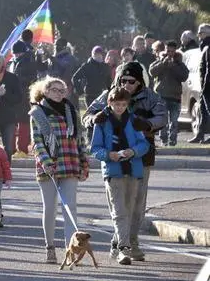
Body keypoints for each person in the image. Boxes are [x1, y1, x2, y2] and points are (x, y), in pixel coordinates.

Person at [84, 63, 165, 261]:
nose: (126, 84)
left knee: (137, 205)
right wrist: (95, 118)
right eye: (123, 80)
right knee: (118, 206)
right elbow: (86, 115)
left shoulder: (151, 97)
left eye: (131, 81)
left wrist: (147, 124)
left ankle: (130, 242)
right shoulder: (108, 95)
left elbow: (163, 118)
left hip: (141, 156)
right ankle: (124, 246)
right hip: (112, 161)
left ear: (140, 81)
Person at [29, 78, 89, 264]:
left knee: (70, 207)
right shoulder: (37, 112)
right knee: (50, 208)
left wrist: (84, 162)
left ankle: (70, 250)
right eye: (54, 90)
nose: (58, 93)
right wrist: (46, 162)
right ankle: (50, 247)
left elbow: (80, 138)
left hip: (70, 163)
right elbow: (37, 142)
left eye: (61, 90)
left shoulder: (71, 111)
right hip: (49, 167)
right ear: (45, 92)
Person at [90, 87, 149, 266]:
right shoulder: (101, 121)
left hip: (132, 170)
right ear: (110, 103)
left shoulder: (133, 120)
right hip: (113, 172)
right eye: (116, 104)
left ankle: (116, 244)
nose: (120, 107)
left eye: (123, 104)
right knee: (119, 212)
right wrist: (109, 155)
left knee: (129, 211)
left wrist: (133, 151)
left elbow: (144, 144)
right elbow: (94, 149)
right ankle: (124, 250)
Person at [149, 41, 189, 147]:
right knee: (163, 120)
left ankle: (173, 140)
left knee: (174, 121)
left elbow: (184, 76)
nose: (170, 53)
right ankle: (164, 139)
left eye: (172, 51)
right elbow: (152, 72)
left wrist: (173, 66)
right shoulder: (160, 61)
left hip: (175, 97)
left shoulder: (179, 63)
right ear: (165, 50)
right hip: (162, 96)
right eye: (168, 50)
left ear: (175, 51)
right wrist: (163, 64)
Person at [7, 40, 39, 157]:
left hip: (24, 95)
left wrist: (19, 80)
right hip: (13, 96)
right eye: (14, 53)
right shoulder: (12, 62)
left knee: (23, 122)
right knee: (12, 122)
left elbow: (33, 77)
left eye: (18, 53)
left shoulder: (29, 61)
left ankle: (23, 149)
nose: (16, 55)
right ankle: (11, 148)